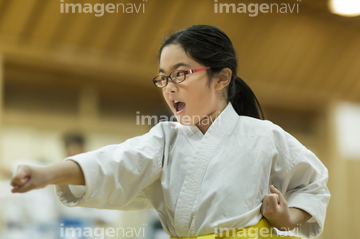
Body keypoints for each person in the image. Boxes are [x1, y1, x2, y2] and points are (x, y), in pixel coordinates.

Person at [10, 25, 330, 239]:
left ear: (221, 78)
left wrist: (286, 219)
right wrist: (47, 173)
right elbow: (117, 161)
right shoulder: (166, 138)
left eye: (180, 74)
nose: (168, 87)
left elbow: (314, 185)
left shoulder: (264, 136)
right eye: (163, 78)